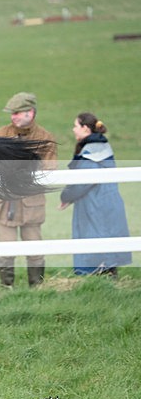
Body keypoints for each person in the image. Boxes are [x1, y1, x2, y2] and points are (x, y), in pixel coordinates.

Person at [0, 92, 57, 287]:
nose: (13, 117)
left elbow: (50, 168)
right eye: (12, 113)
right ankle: (6, 288)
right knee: (6, 249)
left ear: (30, 112)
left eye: (17, 113)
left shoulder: (45, 137)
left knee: (34, 248)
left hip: (31, 203)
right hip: (4, 204)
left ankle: (37, 287)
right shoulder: (1, 134)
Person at [59, 113, 131, 276]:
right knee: (105, 239)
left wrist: (66, 196)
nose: (73, 129)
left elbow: (83, 181)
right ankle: (108, 277)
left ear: (85, 128)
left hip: (95, 205)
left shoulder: (92, 151)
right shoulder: (101, 146)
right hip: (104, 201)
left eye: (75, 126)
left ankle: (96, 279)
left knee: (94, 239)